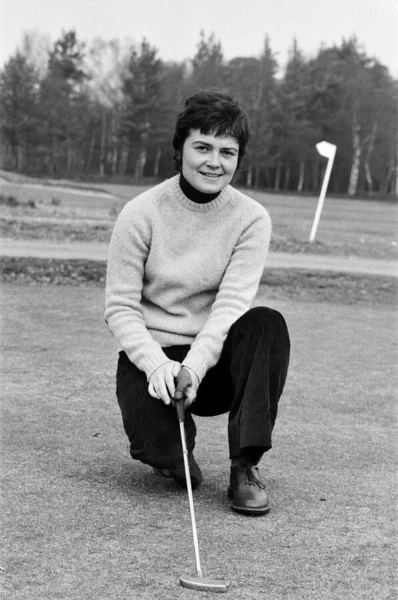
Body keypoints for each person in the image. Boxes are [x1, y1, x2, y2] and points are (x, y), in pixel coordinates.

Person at [105, 90, 290, 515]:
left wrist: (195, 365)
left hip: (215, 360)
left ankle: (244, 466)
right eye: (203, 147)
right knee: (164, 456)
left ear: (238, 158)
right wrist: (157, 364)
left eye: (228, 152)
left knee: (266, 322)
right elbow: (119, 306)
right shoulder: (140, 212)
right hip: (155, 362)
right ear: (180, 149)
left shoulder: (252, 218)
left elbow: (231, 306)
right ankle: (175, 453)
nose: (214, 161)